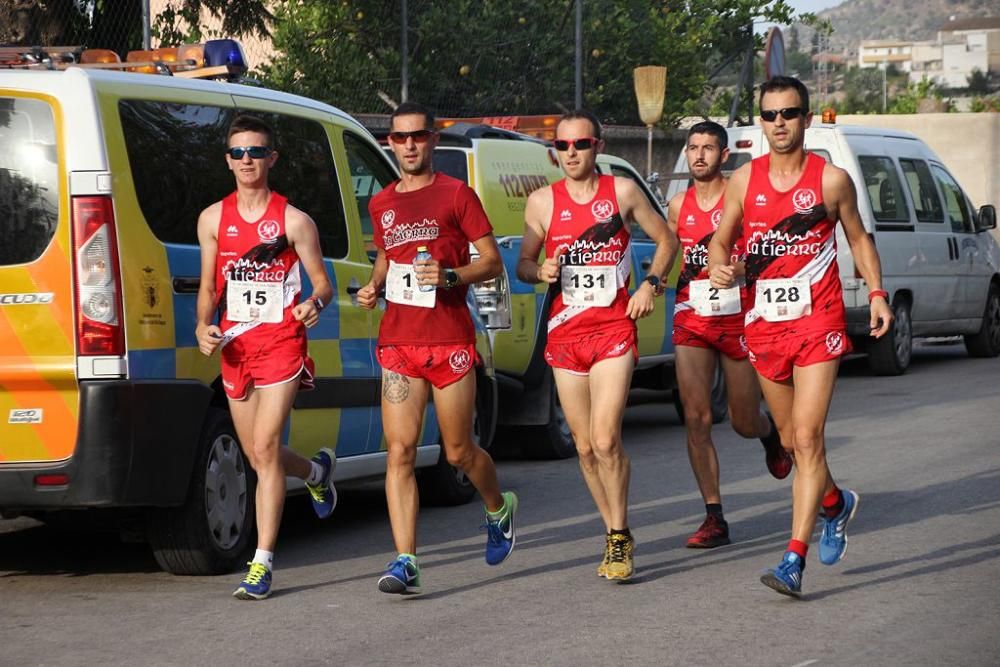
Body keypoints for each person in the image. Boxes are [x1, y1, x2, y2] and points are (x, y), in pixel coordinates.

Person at [708, 76, 892, 596]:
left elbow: (858, 238)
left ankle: (794, 559)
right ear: (761, 123)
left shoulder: (831, 181)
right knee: (789, 440)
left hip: (820, 321)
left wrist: (876, 293)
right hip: (766, 326)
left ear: (807, 119)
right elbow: (721, 243)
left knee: (808, 439)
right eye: (770, 115)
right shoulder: (744, 181)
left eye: (789, 113)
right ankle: (835, 503)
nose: (779, 122)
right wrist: (722, 268)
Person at [357, 102, 517, 595]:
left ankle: (498, 507)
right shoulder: (382, 203)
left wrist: (451, 275)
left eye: (418, 136)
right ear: (390, 143)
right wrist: (373, 285)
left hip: (448, 340)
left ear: (432, 140)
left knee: (457, 452)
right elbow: (388, 254)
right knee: (400, 451)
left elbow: (491, 261)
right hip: (400, 343)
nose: (409, 145)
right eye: (400, 137)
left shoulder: (456, 195)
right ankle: (405, 559)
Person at [517, 109, 674, 581]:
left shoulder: (621, 192)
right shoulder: (542, 202)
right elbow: (525, 262)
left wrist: (650, 285)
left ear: (598, 146)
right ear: (553, 152)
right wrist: (538, 271)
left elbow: (667, 240)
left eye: (580, 144)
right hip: (566, 332)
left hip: (613, 330)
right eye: (563, 146)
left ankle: (620, 532)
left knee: (607, 438)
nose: (571, 153)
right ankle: (612, 532)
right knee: (584, 448)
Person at [195, 115, 338, 600]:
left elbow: (323, 283)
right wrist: (202, 325)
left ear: (271, 159)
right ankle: (316, 473)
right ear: (227, 160)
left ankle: (262, 562)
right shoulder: (213, 219)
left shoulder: (294, 221)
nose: (246, 161)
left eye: (255, 152)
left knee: (266, 442)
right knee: (260, 455)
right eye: (238, 153)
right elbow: (210, 285)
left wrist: (313, 304)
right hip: (237, 347)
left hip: (281, 343)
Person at [667, 121, 793, 549]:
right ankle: (714, 516)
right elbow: (671, 254)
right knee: (697, 417)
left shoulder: (740, 197)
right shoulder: (676, 204)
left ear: (724, 155)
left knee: (742, 421)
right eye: (693, 147)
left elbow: (766, 249)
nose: (699, 155)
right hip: (692, 316)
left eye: (708, 148)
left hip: (738, 317)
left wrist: (738, 269)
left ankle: (769, 433)